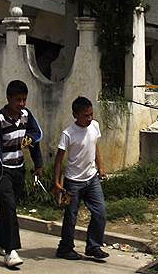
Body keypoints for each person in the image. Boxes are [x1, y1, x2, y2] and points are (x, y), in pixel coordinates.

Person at [0, 80, 44, 268]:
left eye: (24, 100)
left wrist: (38, 164)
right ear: (8, 99)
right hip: (3, 171)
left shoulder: (26, 116)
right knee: (9, 206)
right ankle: (10, 250)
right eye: (18, 100)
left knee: (7, 208)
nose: (21, 104)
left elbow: (33, 141)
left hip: (19, 170)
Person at [53, 96, 109, 261]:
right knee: (71, 217)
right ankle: (65, 248)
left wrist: (101, 167)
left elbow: (95, 145)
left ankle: (93, 246)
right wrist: (56, 182)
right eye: (86, 115)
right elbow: (58, 160)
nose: (89, 118)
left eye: (91, 114)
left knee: (100, 213)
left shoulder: (94, 126)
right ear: (75, 115)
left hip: (92, 179)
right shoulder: (68, 134)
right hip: (73, 182)